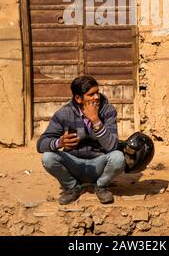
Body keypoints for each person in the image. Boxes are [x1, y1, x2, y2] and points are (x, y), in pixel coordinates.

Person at [37, 75, 125, 205]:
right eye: (91, 94)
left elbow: (112, 146)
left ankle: (100, 186)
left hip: (99, 165)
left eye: (97, 92)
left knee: (118, 157)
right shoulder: (64, 113)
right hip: (74, 165)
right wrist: (59, 143)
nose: (97, 97)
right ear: (78, 98)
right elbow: (40, 145)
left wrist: (96, 121)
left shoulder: (108, 111)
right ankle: (73, 187)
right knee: (48, 158)